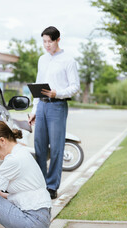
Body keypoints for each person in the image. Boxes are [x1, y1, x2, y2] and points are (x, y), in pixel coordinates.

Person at [28, 26, 80, 199]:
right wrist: (34, 110)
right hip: (42, 105)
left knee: (56, 148)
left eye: (49, 41)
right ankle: (41, 184)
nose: (46, 45)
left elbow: (75, 87)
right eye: (44, 41)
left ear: (58, 40)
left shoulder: (68, 60)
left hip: (57, 105)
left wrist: (57, 93)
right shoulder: (42, 60)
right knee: (39, 147)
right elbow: (38, 84)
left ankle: (52, 187)